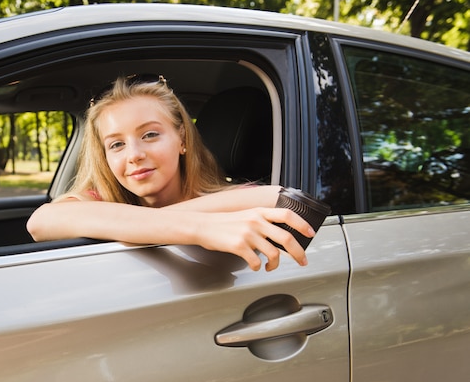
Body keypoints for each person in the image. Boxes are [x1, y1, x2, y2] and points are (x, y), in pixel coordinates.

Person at [27, 74, 315, 272]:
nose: (134, 154)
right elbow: (39, 223)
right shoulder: (100, 199)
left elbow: (280, 200)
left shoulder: (232, 197)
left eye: (150, 134)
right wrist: (198, 228)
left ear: (183, 140)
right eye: (116, 144)